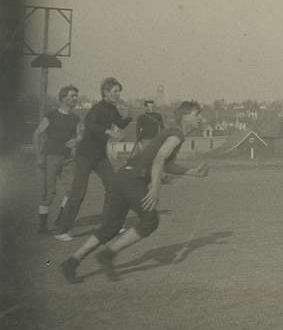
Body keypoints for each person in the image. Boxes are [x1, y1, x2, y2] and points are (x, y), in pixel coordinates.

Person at [59, 100, 209, 283]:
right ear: (185, 117)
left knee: (110, 228)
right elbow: (159, 159)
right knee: (150, 221)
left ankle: (71, 262)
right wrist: (154, 188)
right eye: (197, 114)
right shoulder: (176, 134)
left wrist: (192, 172)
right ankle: (108, 254)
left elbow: (166, 163)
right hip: (132, 181)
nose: (201, 118)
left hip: (120, 178)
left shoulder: (173, 133)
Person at [52, 77, 131, 241]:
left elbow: (121, 124)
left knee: (113, 187)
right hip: (85, 155)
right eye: (115, 91)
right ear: (106, 92)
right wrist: (109, 132)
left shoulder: (112, 109)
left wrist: (128, 116)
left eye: (119, 91)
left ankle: (110, 223)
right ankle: (60, 230)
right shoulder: (97, 108)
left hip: (100, 156)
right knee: (79, 192)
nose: (118, 94)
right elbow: (90, 125)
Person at [32, 85, 82, 233]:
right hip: (51, 158)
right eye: (72, 96)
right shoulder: (51, 115)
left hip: (68, 160)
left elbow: (80, 135)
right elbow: (36, 134)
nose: (75, 98)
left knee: (71, 190)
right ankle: (42, 227)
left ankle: (60, 221)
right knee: (49, 193)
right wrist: (38, 156)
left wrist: (77, 141)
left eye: (76, 96)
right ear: (63, 98)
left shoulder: (75, 118)